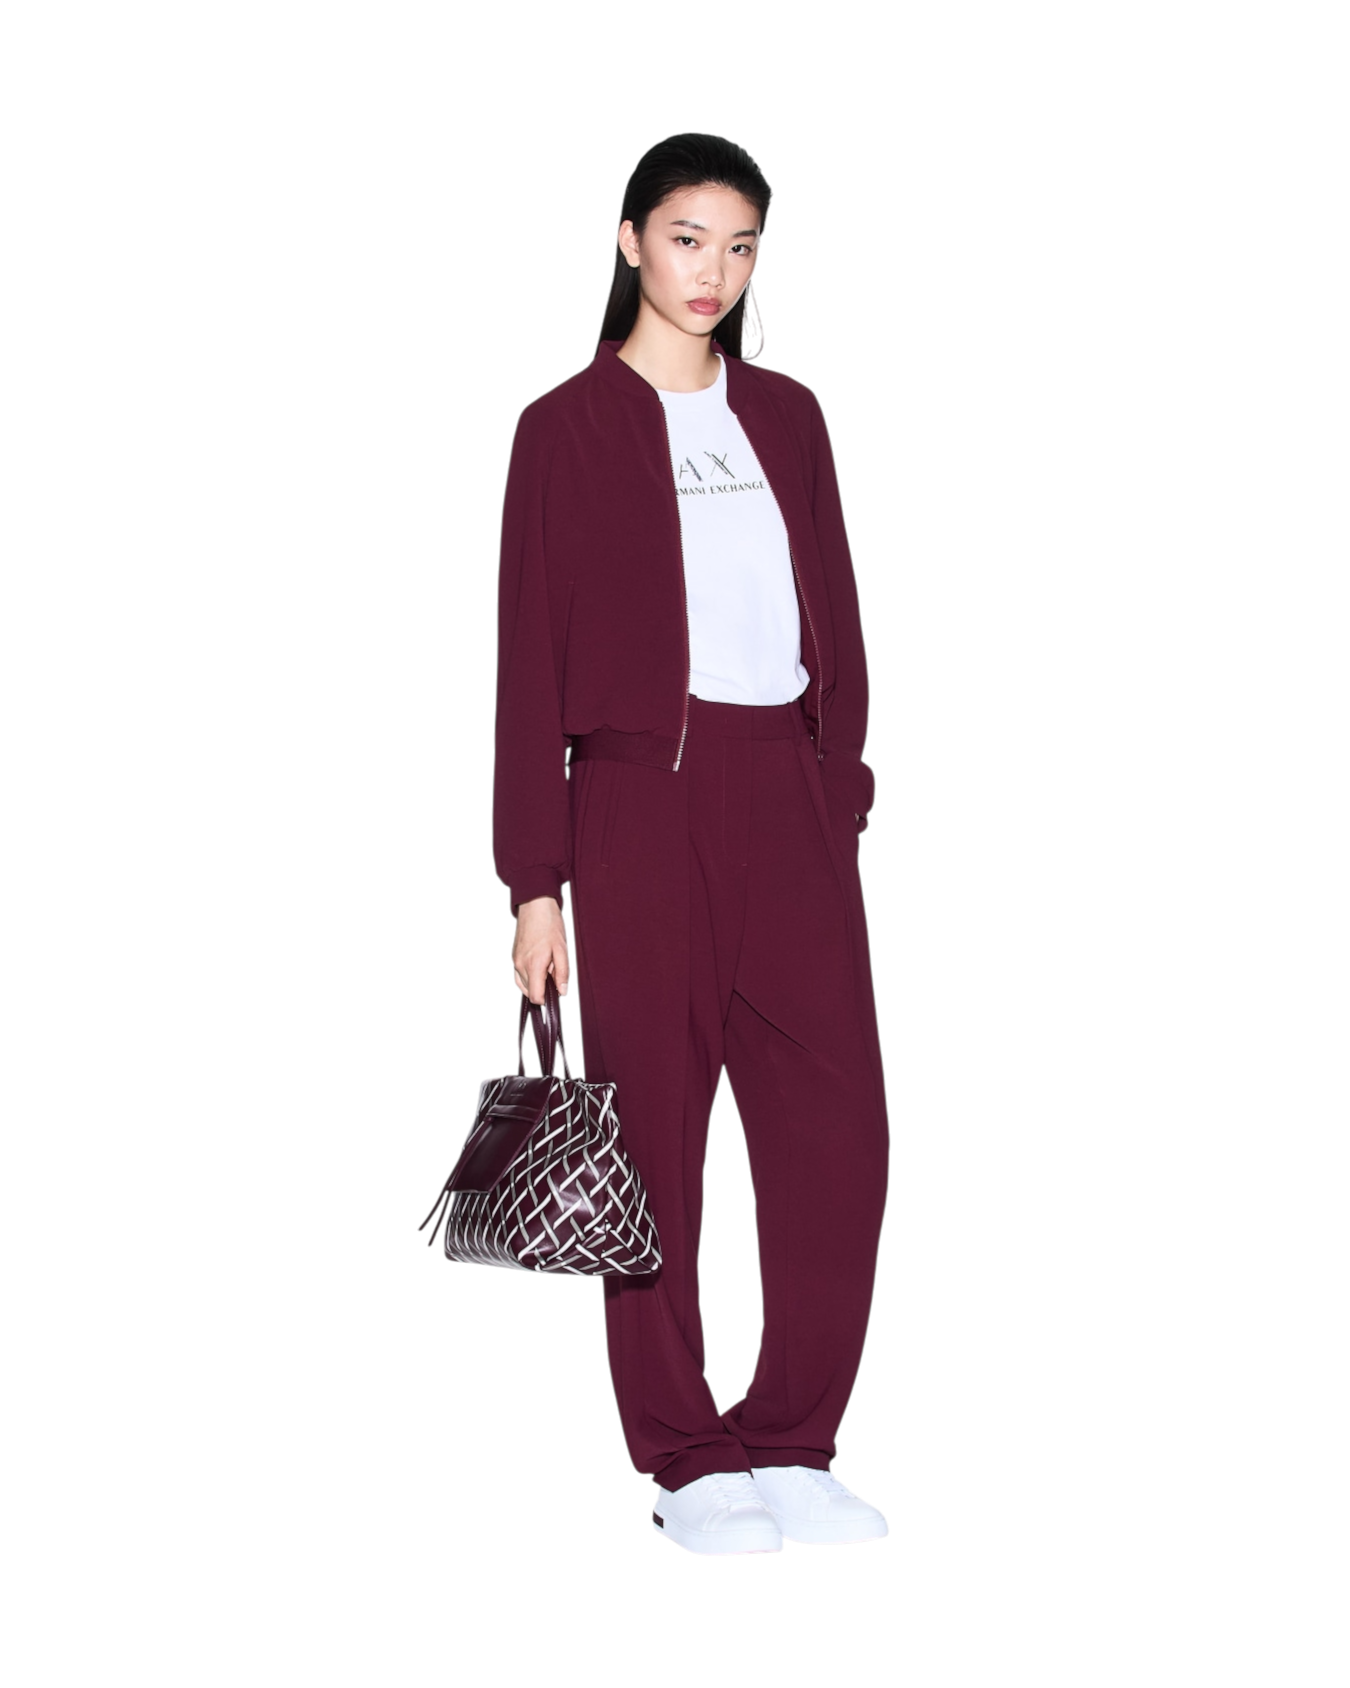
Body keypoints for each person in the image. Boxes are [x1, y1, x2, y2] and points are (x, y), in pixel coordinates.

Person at [494, 133, 889, 1556]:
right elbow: (525, 664)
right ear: (629, 243)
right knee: (650, 1135)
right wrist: (534, 880)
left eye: (739, 245)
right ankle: (683, 1456)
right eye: (685, 238)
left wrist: (835, 787)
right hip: (636, 805)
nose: (712, 270)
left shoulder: (788, 416)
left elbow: (833, 611)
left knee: (839, 1132)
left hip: (784, 791)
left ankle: (792, 1438)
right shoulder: (563, 429)